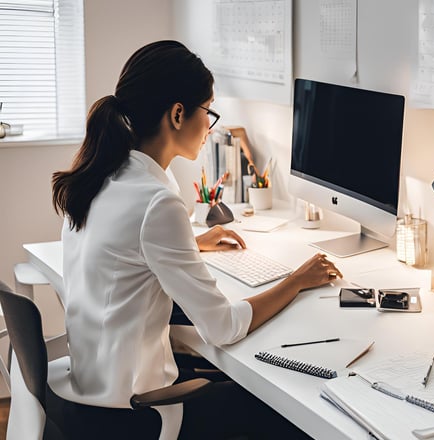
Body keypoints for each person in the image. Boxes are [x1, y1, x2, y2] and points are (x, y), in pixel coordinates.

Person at [51, 40, 342, 439]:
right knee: (289, 413)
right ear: (177, 114)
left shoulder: (101, 173)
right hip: (137, 415)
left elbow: (126, 248)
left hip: (90, 393)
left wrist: (190, 242)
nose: (211, 125)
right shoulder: (157, 202)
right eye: (208, 111)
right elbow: (222, 327)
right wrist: (297, 280)